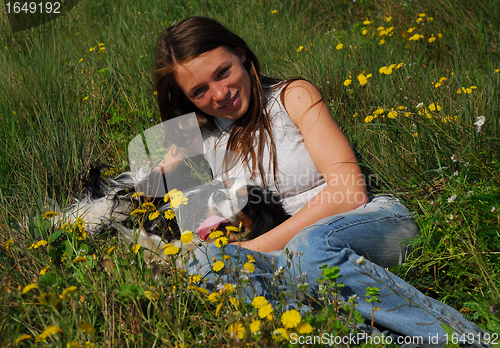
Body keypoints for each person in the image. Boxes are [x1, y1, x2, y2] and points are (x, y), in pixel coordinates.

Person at [153, 16, 486, 345]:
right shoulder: (205, 132)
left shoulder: (291, 97)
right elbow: (149, 174)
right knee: (204, 265)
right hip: (288, 256)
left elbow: (349, 192)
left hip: (368, 223)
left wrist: (254, 249)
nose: (220, 93)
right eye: (199, 91)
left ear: (240, 53)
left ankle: (465, 340)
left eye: (222, 72)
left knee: (309, 247)